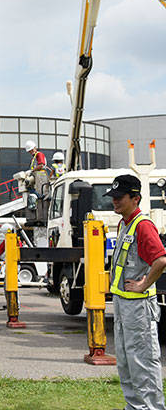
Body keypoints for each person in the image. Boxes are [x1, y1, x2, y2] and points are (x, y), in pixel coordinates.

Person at [105, 174, 166, 410]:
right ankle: (134, 407)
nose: (114, 201)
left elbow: (160, 260)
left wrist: (143, 284)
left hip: (139, 307)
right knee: (127, 363)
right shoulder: (125, 224)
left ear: (135, 198)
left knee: (143, 363)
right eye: (113, 197)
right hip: (124, 305)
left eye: (120, 197)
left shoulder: (143, 226)